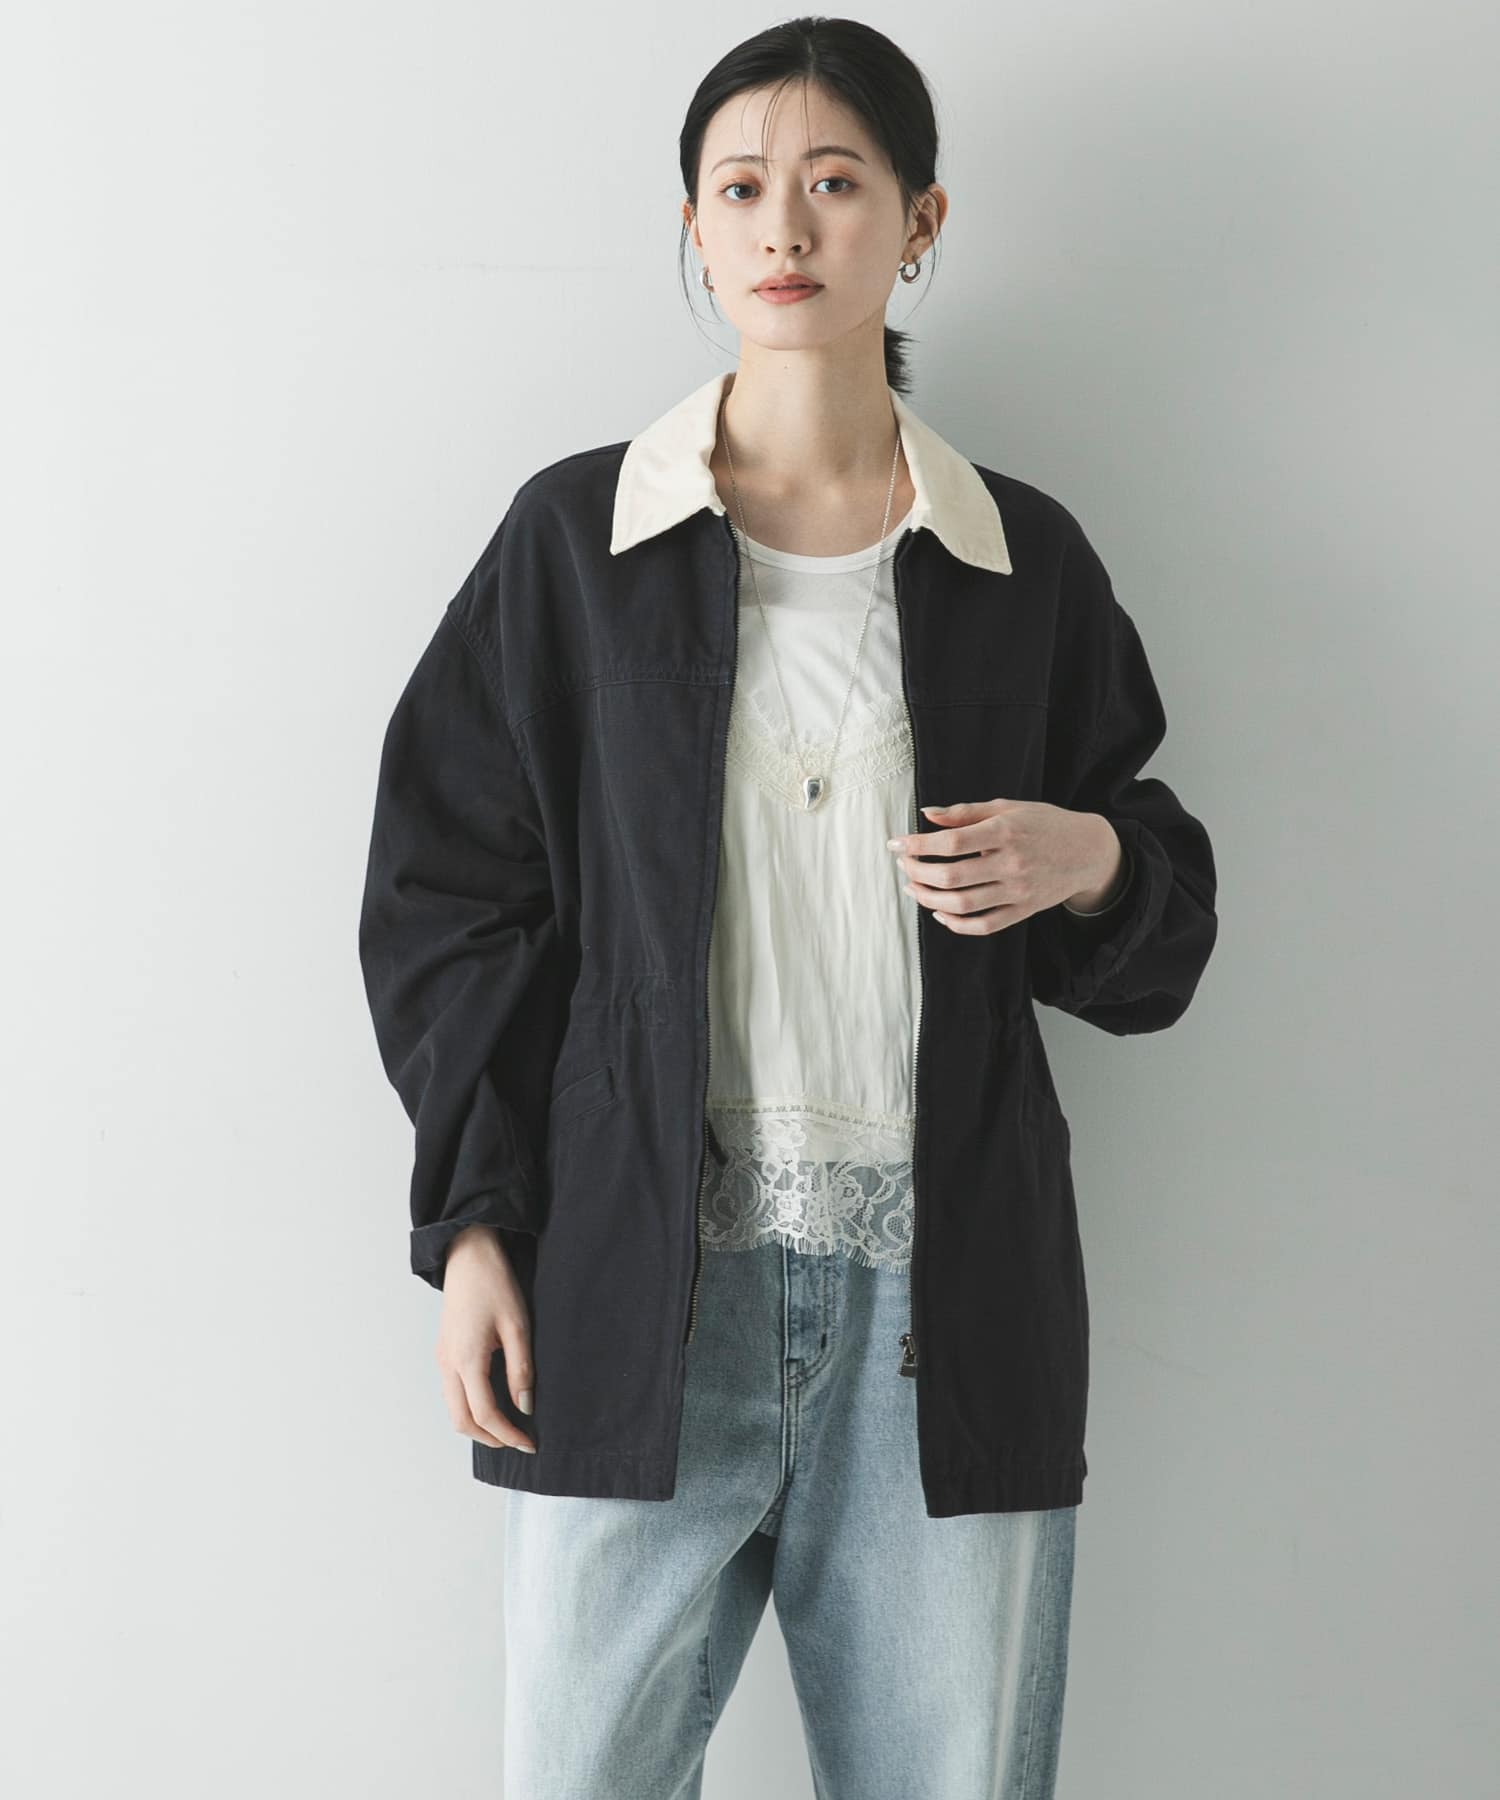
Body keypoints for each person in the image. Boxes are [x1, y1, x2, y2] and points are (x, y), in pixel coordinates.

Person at [357, 18, 1218, 1799]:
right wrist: (476, 1228)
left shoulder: (1021, 562)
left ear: (920, 220)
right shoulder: (577, 546)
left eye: (836, 183)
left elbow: (1159, 909)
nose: (786, 227)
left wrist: (1094, 858)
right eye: (742, 188)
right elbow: (449, 901)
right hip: (627, 1291)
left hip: (943, 1308)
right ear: (693, 222)